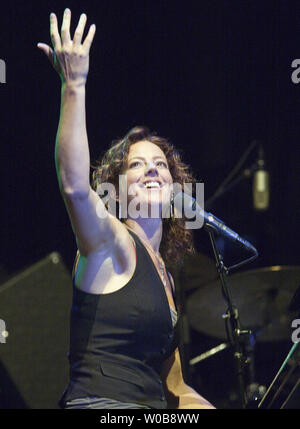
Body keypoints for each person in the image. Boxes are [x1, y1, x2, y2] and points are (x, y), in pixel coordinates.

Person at [38, 9, 215, 409]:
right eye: (137, 164)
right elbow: (74, 186)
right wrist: (74, 85)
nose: (153, 169)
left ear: (175, 186)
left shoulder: (167, 278)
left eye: (161, 165)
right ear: (116, 191)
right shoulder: (111, 241)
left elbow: (178, 389)